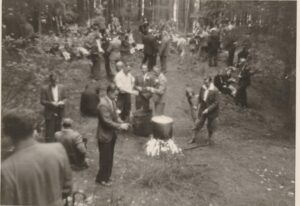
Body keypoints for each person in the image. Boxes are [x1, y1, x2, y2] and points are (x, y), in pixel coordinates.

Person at [1, 109, 72, 205]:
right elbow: (67, 189)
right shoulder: (58, 149)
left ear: (7, 133)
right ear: (34, 129)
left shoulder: (6, 169)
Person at [95, 83, 130, 186]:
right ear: (109, 92)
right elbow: (107, 121)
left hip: (111, 134)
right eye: (115, 95)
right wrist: (120, 126)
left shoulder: (112, 101)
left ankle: (107, 177)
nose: (116, 97)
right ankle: (101, 179)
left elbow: (115, 116)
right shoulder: (102, 104)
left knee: (109, 157)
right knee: (105, 158)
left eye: (117, 95)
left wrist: (122, 122)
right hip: (104, 135)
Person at [189, 77, 219, 145]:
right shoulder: (203, 88)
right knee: (198, 123)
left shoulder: (215, 90)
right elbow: (200, 98)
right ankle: (193, 138)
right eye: (204, 82)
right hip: (203, 108)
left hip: (212, 110)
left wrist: (208, 109)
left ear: (210, 82)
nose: (205, 83)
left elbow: (216, 103)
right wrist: (196, 105)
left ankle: (209, 139)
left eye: (207, 82)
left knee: (210, 125)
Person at [40, 73, 67, 142]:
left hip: (59, 111)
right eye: (53, 81)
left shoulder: (62, 87)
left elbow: (65, 98)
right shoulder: (44, 88)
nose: (54, 83)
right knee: (49, 131)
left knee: (58, 130)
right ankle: (49, 146)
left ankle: (58, 145)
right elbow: (42, 101)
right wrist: (51, 103)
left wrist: (62, 102)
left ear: (58, 80)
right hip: (49, 112)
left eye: (56, 81)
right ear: (50, 81)